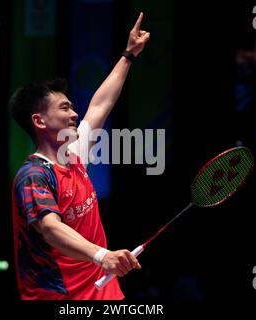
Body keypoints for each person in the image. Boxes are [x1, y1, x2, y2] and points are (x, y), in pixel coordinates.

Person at [9, 13, 150, 300]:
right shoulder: (34, 175)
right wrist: (102, 256)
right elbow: (50, 228)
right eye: (64, 108)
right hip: (60, 296)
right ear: (39, 121)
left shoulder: (72, 155)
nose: (74, 114)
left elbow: (100, 104)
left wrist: (128, 55)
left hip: (102, 288)